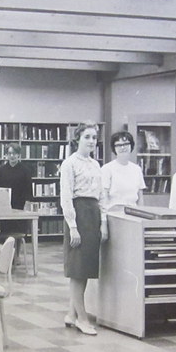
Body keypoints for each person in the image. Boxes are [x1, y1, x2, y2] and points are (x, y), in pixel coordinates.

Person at [60, 122, 106, 336]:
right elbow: (66, 197)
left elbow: (101, 196)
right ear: (77, 139)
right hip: (78, 215)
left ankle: (71, 314)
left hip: (93, 215)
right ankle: (83, 318)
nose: (91, 141)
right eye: (87, 137)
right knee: (77, 271)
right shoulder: (70, 164)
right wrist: (73, 227)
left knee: (85, 269)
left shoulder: (96, 165)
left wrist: (103, 222)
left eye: (94, 137)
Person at [100, 130, 145, 213]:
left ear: (131, 146)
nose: (123, 147)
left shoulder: (137, 169)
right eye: (118, 145)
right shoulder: (107, 169)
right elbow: (104, 197)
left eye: (126, 144)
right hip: (114, 213)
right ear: (114, 148)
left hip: (133, 214)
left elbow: (140, 198)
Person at [0, 143, 33, 236]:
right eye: (10, 153)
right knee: (5, 233)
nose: (12, 156)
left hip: (20, 206)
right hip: (5, 206)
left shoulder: (25, 170)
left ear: (18, 155)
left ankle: (17, 250)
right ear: (7, 155)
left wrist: (27, 205)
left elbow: (29, 189)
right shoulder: (1, 170)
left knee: (18, 233)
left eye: (14, 153)